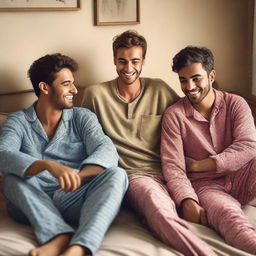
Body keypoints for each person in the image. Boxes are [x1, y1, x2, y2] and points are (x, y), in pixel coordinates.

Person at [82, 30, 217, 256]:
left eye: (135, 61)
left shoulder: (159, 89)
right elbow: (81, 138)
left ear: (143, 61)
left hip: (173, 172)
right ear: (114, 60)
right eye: (122, 61)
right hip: (135, 176)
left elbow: (189, 122)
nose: (128, 68)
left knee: (218, 207)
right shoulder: (95, 95)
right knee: (160, 209)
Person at [0, 53, 128, 256]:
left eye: (73, 83)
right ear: (44, 87)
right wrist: (46, 165)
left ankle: (80, 247)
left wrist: (79, 177)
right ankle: (58, 235)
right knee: (11, 178)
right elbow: (3, 154)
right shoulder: (18, 121)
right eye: (66, 84)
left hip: (73, 197)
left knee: (118, 175)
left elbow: (106, 150)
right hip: (32, 200)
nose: (74, 90)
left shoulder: (82, 117)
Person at [161, 45, 256, 254]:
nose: (190, 86)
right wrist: (187, 200)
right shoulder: (174, 116)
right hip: (207, 187)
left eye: (196, 78)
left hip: (244, 174)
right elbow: (173, 168)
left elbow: (248, 146)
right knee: (230, 218)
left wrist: (198, 164)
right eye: (183, 80)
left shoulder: (235, 104)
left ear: (211, 76)